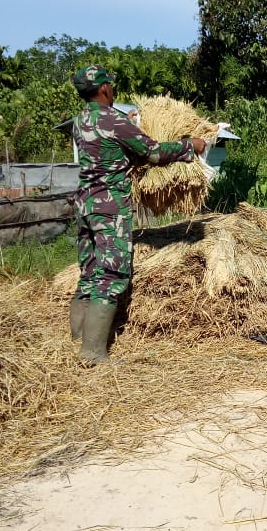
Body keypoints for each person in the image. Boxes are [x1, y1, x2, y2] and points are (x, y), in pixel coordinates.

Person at [68, 64, 206, 364]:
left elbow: (115, 152)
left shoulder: (81, 121)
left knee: (90, 271)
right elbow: (154, 153)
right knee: (112, 273)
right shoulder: (113, 120)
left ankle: (77, 338)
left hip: (84, 203)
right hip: (108, 207)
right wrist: (189, 146)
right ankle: (92, 353)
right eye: (111, 86)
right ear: (104, 88)